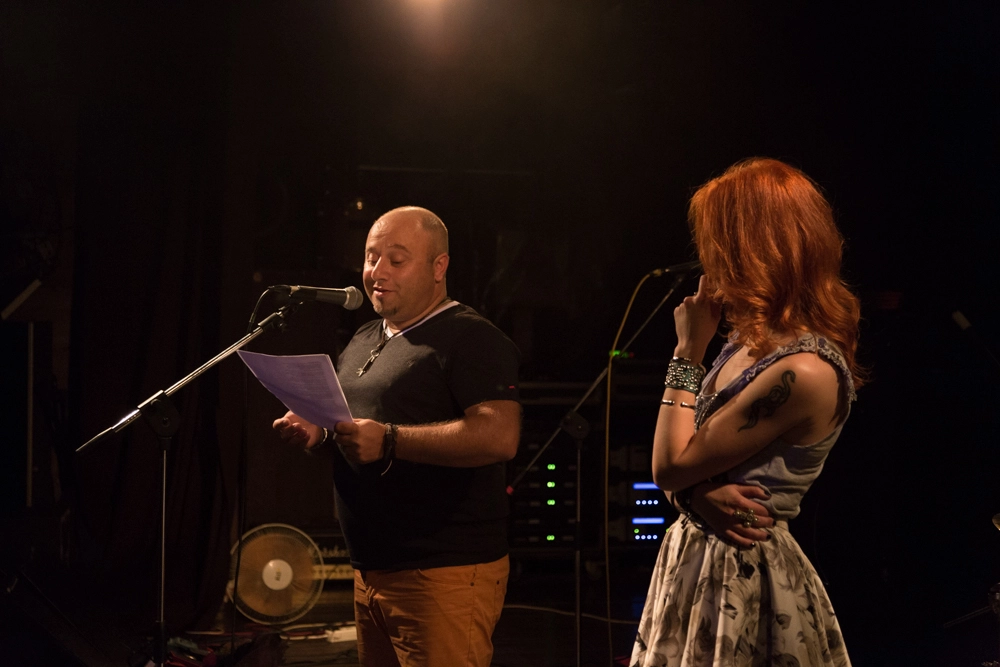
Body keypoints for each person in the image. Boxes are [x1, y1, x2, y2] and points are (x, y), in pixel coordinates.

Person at [631, 158, 862, 667]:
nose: (706, 257)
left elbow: (668, 465)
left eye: (717, 241)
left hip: (742, 575)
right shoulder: (745, 342)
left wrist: (687, 351)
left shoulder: (804, 370)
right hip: (697, 562)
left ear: (753, 248)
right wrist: (693, 496)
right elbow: (677, 470)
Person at [273, 206, 521, 667]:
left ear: (439, 266)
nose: (377, 271)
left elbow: (499, 436)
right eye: (371, 257)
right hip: (371, 570)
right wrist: (318, 434)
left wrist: (390, 440)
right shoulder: (366, 336)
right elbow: (358, 437)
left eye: (397, 259)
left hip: (442, 572)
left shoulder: (471, 338)